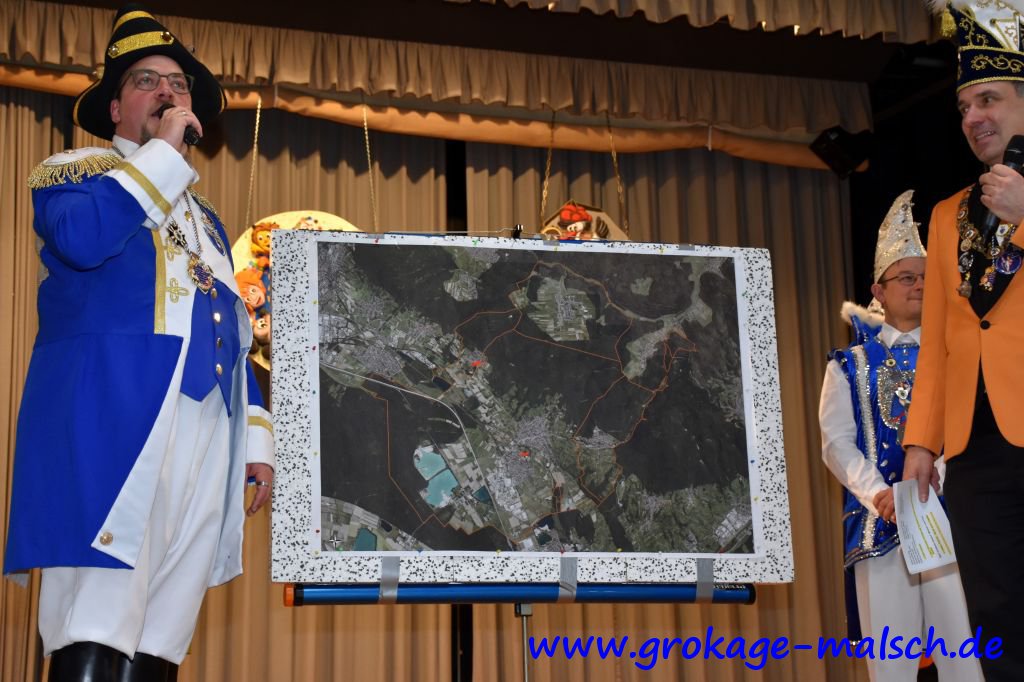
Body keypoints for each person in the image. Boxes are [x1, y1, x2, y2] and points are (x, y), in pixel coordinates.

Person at [2, 5, 274, 681]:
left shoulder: (206, 220)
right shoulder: (75, 173)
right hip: (116, 428)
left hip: (205, 432)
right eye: (147, 81)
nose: (167, 93)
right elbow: (83, 240)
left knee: (161, 638)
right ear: (116, 108)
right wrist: (163, 157)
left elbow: (235, 330)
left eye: (178, 86)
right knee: (95, 621)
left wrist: (257, 442)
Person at [903, 2, 1024, 679]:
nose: (973, 116)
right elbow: (941, 340)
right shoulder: (950, 214)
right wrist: (921, 439)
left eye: (989, 100)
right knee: (996, 609)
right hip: (974, 442)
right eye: (963, 107)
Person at [819, 190, 981, 682]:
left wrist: (932, 479)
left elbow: (969, 428)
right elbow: (836, 442)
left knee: (966, 659)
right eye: (907, 277)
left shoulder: (958, 356)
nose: (920, 286)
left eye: (927, 277)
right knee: (891, 666)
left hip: (948, 519)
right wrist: (880, 495)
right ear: (879, 290)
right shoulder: (848, 364)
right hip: (879, 526)